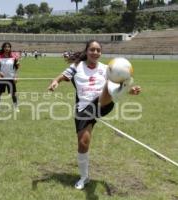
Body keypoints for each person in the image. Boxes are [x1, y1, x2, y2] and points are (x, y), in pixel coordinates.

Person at [48, 40, 141, 190]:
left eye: (98, 50)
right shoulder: (77, 66)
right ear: (87, 51)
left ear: (101, 53)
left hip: (103, 103)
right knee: (83, 143)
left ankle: (122, 88)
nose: (95, 53)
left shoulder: (107, 69)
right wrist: (55, 82)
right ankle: (84, 177)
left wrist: (130, 91)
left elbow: (113, 87)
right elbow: (61, 77)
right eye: (92, 50)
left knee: (107, 88)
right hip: (84, 109)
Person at [0, 42, 20, 112]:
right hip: (2, 78)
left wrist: (16, 76)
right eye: (5, 47)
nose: (7, 48)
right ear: (3, 48)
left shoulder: (14, 57)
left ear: (10, 48)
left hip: (11, 78)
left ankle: (16, 107)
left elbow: (17, 67)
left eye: (8, 47)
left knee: (13, 94)